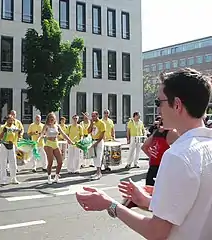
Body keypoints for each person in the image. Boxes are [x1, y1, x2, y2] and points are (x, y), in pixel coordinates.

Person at [76, 68, 212, 240]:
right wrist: (150, 200)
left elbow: (156, 232)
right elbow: (194, 208)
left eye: (159, 102)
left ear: (177, 104)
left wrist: (109, 204)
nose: (158, 111)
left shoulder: (178, 156)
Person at [38, 112, 73, 184]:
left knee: (60, 162)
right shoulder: (46, 126)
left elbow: (63, 134)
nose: (51, 119)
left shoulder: (57, 126)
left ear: (55, 119)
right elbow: (42, 134)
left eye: (53, 118)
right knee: (50, 161)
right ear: (48, 119)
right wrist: (38, 139)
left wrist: (69, 140)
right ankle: (49, 177)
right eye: (50, 118)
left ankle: (56, 176)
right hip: (48, 144)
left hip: (55, 143)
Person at [141, 120, 179, 186]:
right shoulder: (172, 132)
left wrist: (152, 156)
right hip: (163, 167)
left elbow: (144, 147)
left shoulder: (156, 132)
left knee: (150, 191)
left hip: (153, 167)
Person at [0, 115, 19, 185]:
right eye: (9, 120)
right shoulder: (2, 127)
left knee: (13, 162)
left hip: (11, 145)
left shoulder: (14, 127)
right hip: (4, 144)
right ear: (6, 120)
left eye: (12, 120)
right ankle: (3, 180)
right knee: (3, 163)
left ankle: (13, 178)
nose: (11, 121)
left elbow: (16, 136)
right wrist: (3, 132)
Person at [87, 111, 106, 180]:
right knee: (94, 157)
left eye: (94, 116)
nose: (92, 118)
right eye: (92, 116)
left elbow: (102, 135)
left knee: (99, 157)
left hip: (99, 141)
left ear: (97, 116)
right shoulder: (93, 123)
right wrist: (91, 124)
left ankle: (99, 173)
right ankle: (97, 171)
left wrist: (96, 143)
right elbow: (88, 131)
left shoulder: (102, 123)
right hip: (93, 140)